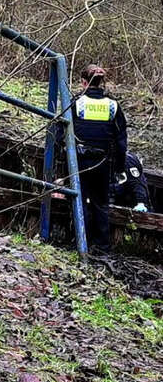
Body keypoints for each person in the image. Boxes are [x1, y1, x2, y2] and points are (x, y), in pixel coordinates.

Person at [72, 64, 128, 251]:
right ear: (101, 82)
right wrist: (119, 168)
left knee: (79, 200)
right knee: (101, 203)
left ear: (84, 82)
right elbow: (121, 142)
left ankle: (80, 242)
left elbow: (61, 133)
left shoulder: (76, 103)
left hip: (79, 161)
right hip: (103, 162)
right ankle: (102, 245)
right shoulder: (113, 106)